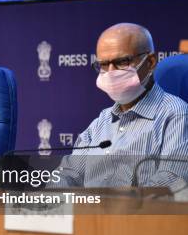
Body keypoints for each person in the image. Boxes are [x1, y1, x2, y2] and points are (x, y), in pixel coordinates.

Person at [57, 23, 188, 187]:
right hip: (87, 211)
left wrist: (112, 207)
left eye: (122, 61)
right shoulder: (101, 122)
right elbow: (68, 174)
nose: (111, 72)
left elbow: (170, 183)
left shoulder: (176, 115)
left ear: (150, 62)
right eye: (103, 64)